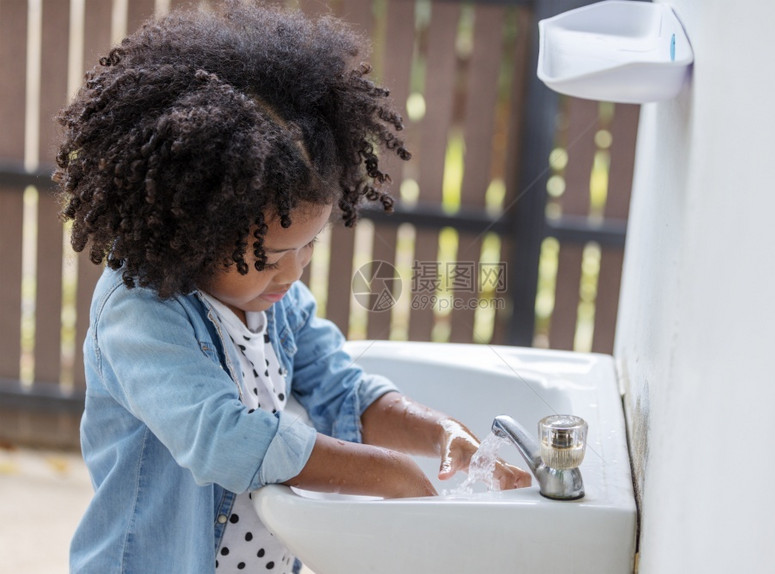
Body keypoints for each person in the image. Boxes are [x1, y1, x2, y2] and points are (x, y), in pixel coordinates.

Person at [54, 2, 531, 573]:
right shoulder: (140, 314)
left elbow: (342, 390)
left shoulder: (276, 303)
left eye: (310, 246)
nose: (294, 273)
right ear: (196, 231)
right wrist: (389, 472)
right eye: (269, 257)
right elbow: (223, 440)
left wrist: (442, 435)